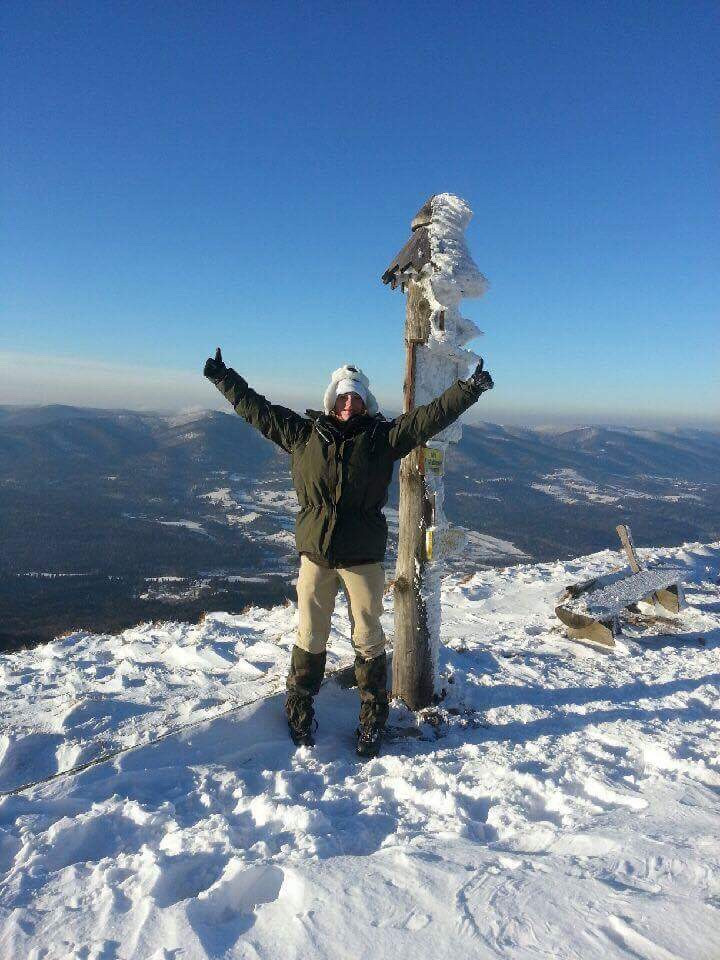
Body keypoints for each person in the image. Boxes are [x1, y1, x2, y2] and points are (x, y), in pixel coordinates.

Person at [204, 349, 494, 757]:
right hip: (316, 554)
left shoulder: (380, 440)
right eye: (342, 397)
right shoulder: (304, 434)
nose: (348, 403)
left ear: (366, 402)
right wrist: (222, 376)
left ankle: (373, 718)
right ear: (331, 399)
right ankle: (300, 705)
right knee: (310, 633)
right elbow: (257, 410)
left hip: (361, 557)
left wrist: (469, 390)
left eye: (355, 398)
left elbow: (428, 417)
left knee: (368, 635)